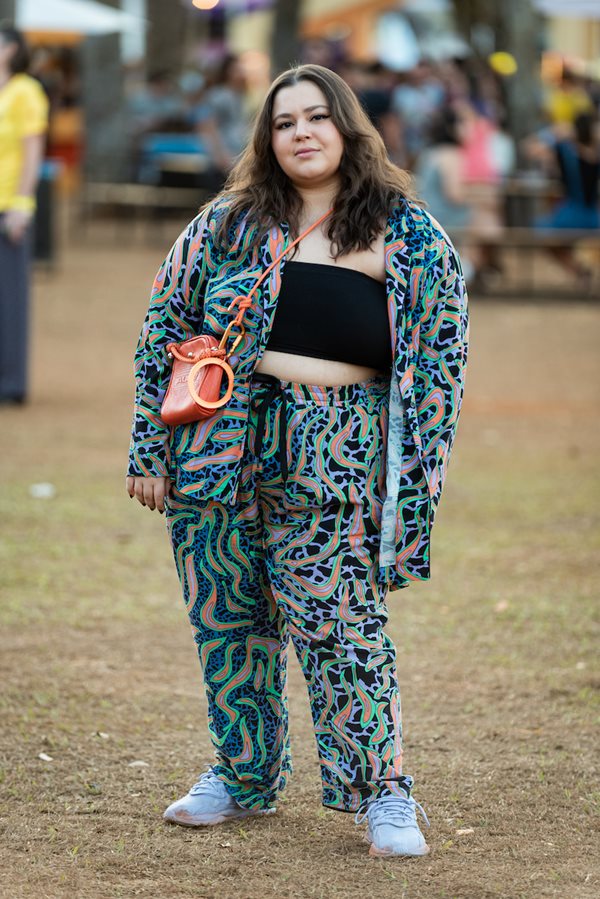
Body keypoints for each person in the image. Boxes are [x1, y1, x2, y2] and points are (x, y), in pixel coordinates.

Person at [126, 64, 468, 858]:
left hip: (338, 450)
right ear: (267, 137)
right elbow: (163, 330)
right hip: (219, 451)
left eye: (318, 117)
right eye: (285, 123)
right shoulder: (229, 222)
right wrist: (149, 445)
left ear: (349, 127)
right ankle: (242, 777)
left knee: (343, 629)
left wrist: (412, 489)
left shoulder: (407, 231)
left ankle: (385, 791)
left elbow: (441, 366)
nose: (302, 133)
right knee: (227, 622)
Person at [0, 24, 49, 404]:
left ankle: (11, 382)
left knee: (10, 297)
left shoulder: (25, 91)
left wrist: (21, 205)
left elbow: (33, 151)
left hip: (9, 208)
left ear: (12, 50)